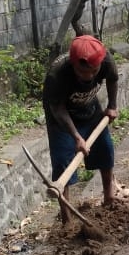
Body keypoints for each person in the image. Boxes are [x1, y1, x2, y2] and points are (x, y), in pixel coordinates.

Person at [42, 34, 119, 223]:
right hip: (61, 120)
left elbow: (113, 79)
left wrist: (112, 105)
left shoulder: (106, 60)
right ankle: (66, 220)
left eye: (93, 71)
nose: (88, 76)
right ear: (73, 64)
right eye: (82, 72)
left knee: (105, 150)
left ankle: (109, 198)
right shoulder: (57, 75)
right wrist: (76, 136)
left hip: (90, 110)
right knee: (62, 163)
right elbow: (58, 108)